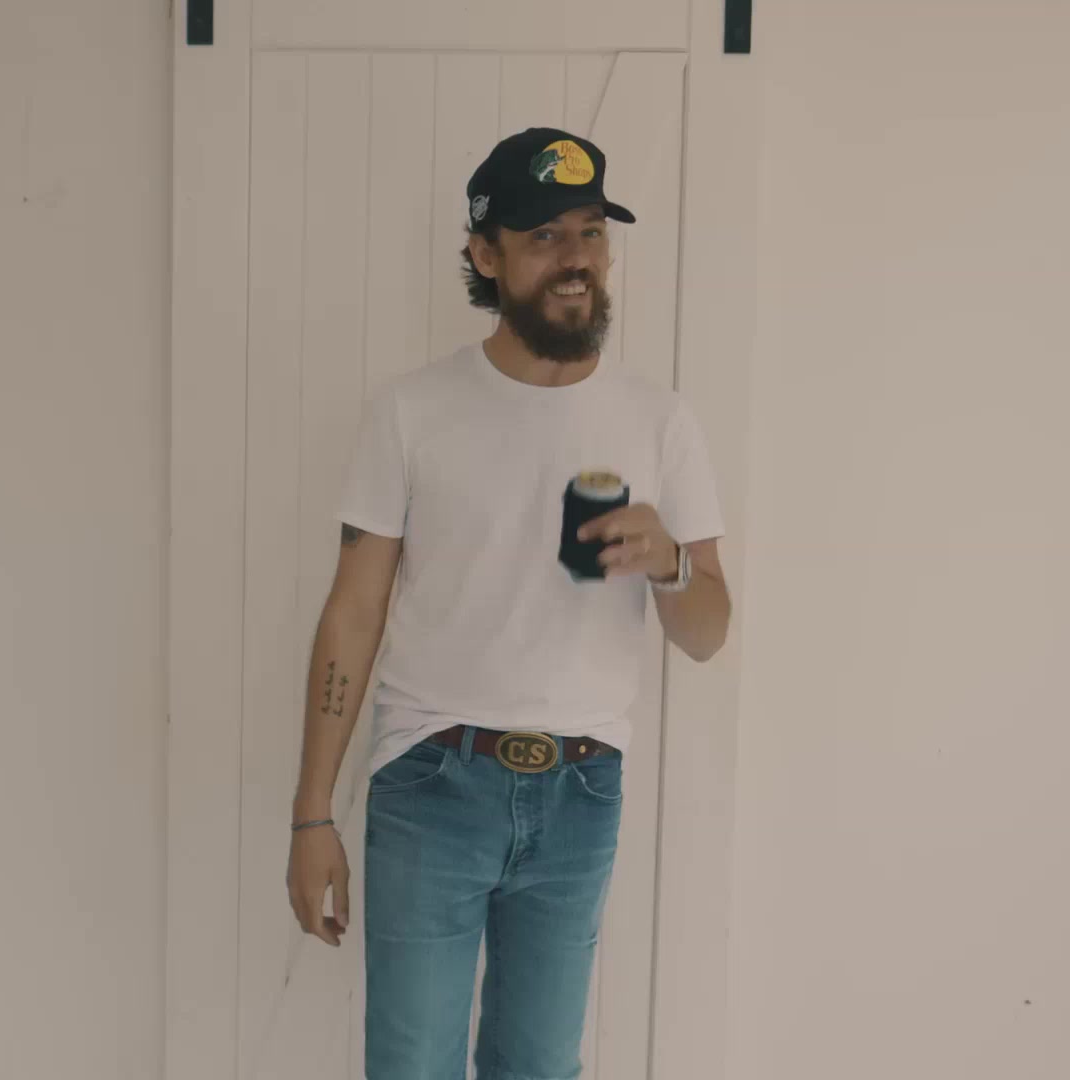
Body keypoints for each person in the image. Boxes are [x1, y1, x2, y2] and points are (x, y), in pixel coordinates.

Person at [284, 126, 733, 1080]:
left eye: (591, 232)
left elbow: (709, 633)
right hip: (432, 780)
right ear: (485, 256)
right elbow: (353, 612)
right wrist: (311, 814)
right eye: (544, 237)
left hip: (583, 790)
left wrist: (670, 566)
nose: (576, 259)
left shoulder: (661, 421)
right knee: (411, 1067)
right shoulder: (411, 412)